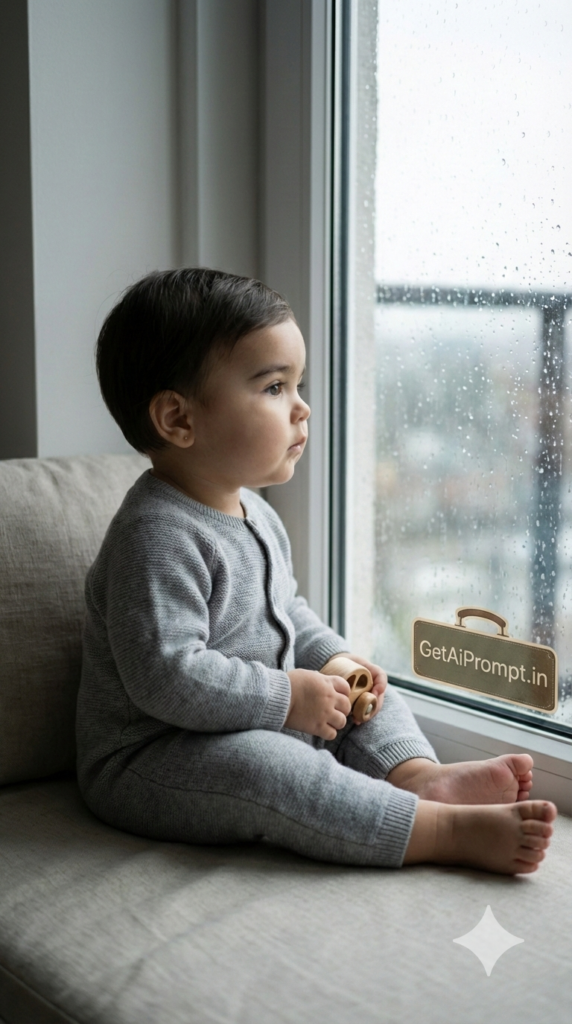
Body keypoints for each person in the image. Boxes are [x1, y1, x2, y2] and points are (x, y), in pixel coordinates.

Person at [76, 268, 557, 874]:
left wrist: (333, 662)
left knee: (371, 695)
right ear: (179, 419)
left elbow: (287, 613)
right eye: (274, 387)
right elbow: (167, 676)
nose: (302, 407)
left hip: (258, 718)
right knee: (271, 769)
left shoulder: (254, 511)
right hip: (153, 756)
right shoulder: (155, 535)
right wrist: (288, 698)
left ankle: (418, 777)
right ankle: (439, 829)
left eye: (297, 385)